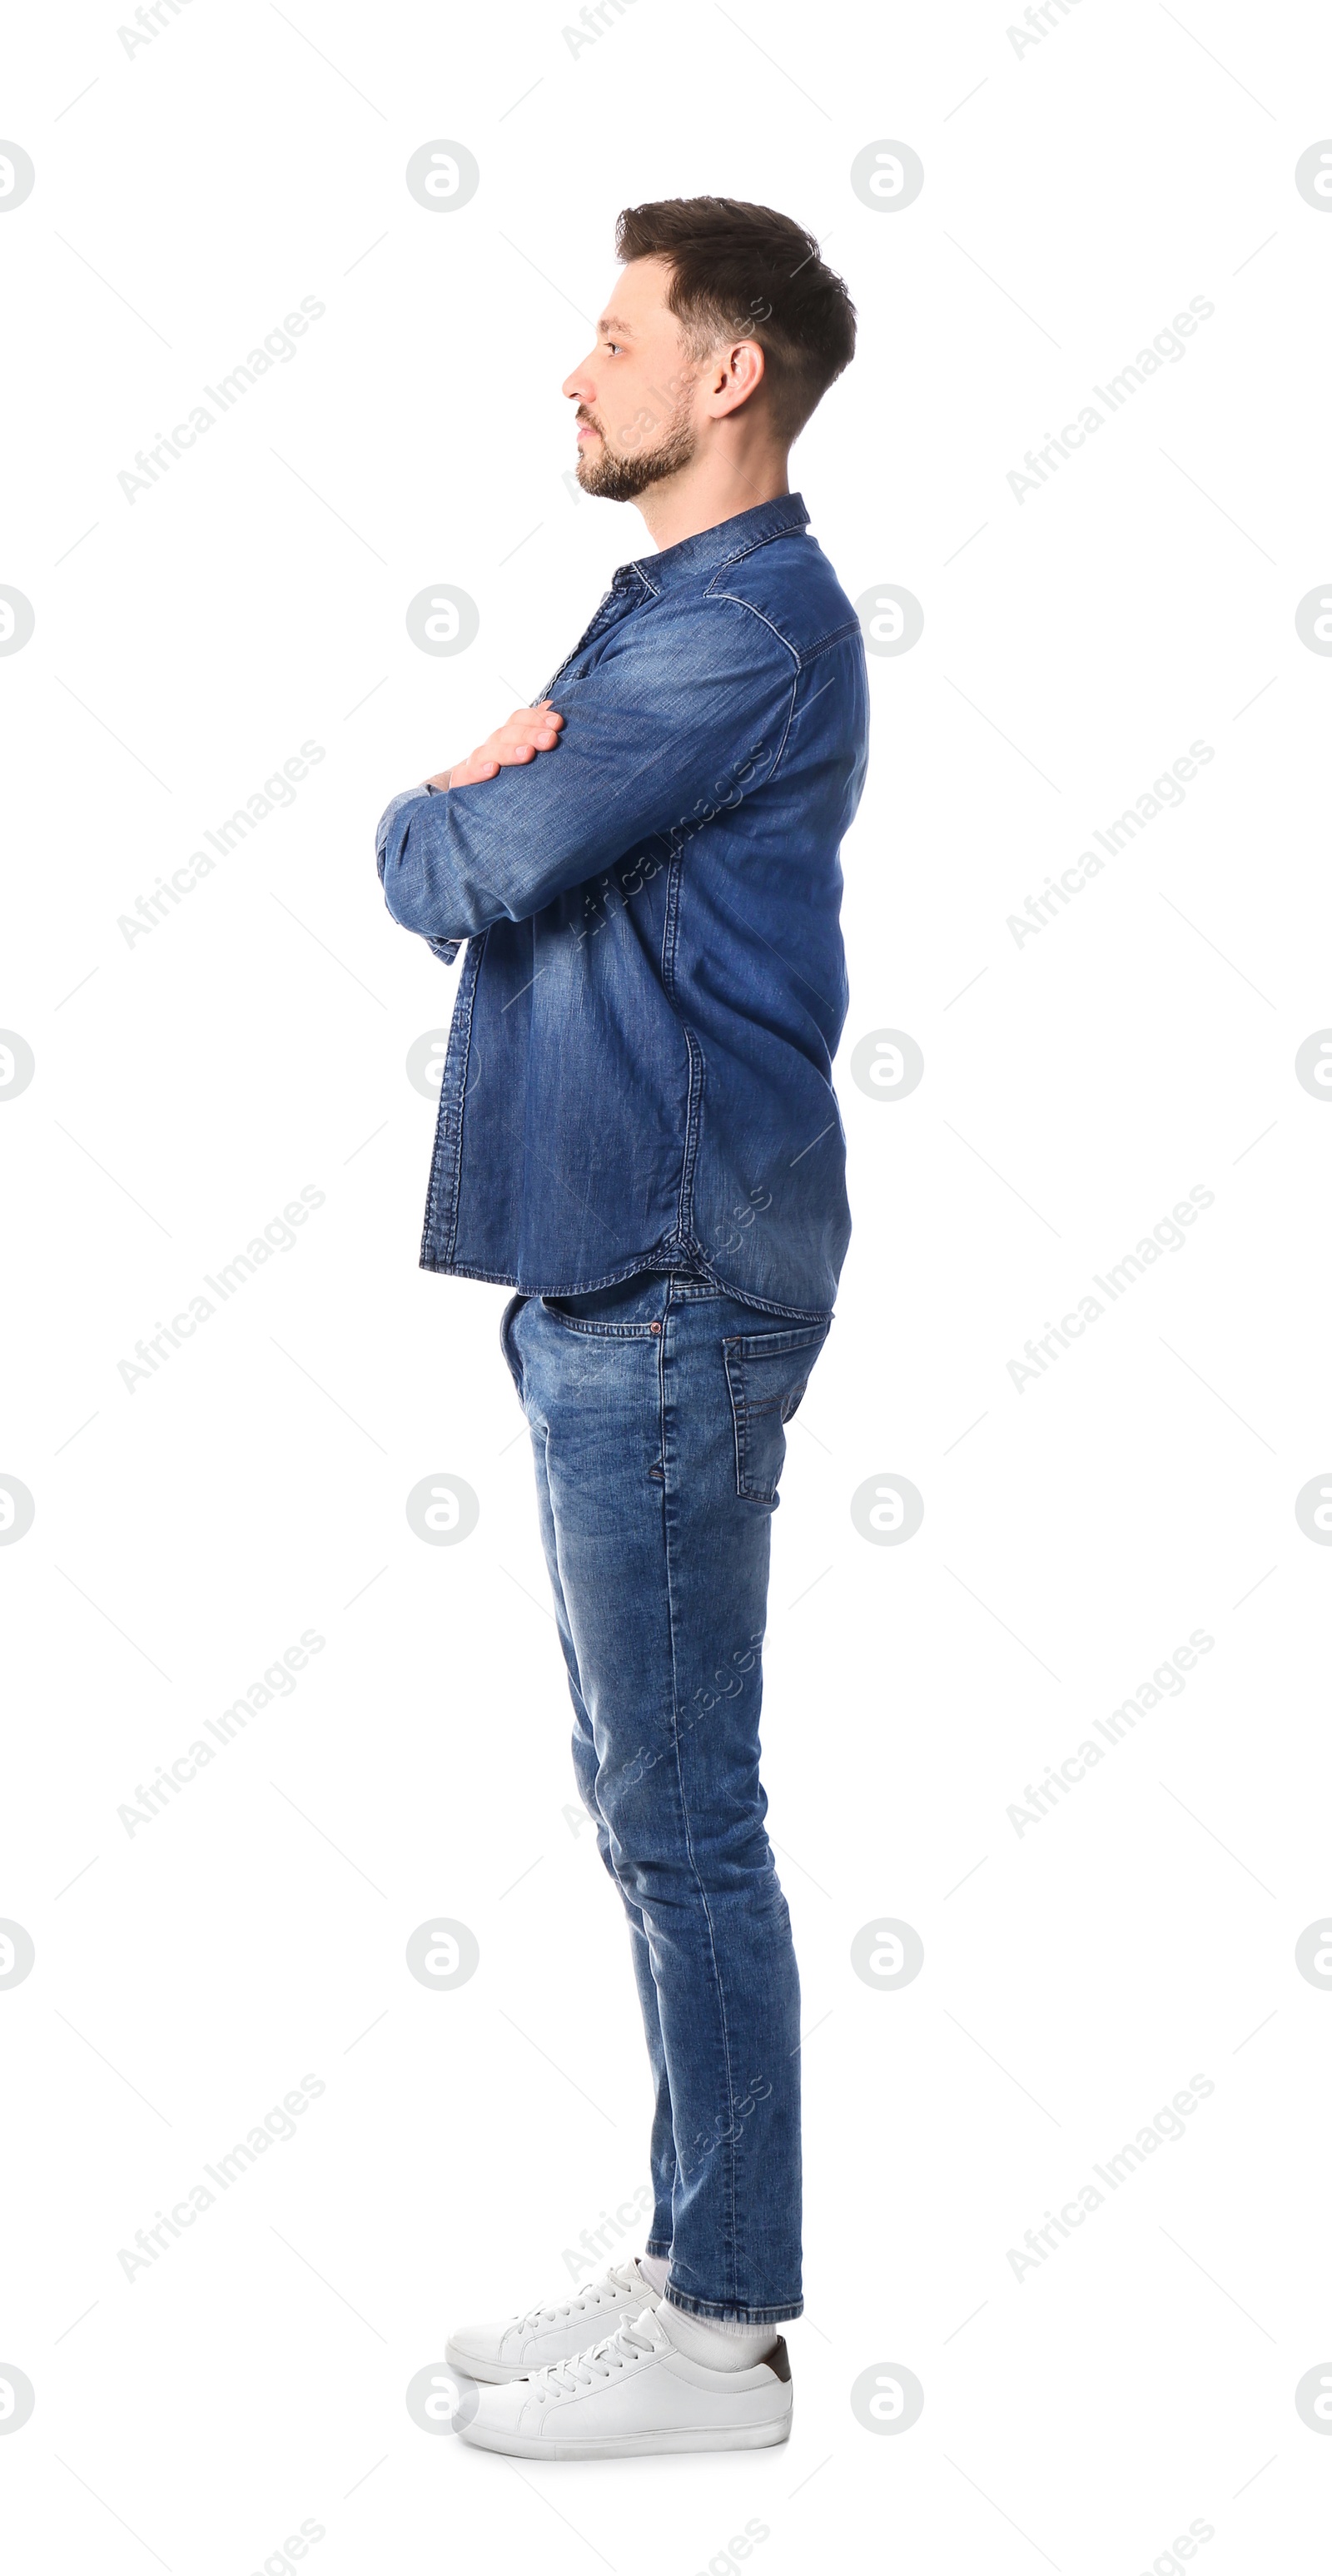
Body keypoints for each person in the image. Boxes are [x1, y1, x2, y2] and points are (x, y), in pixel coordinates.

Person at [375, 196, 867, 2459]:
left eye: (614, 335)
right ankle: (698, 2259)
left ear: (726, 374)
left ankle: (729, 2333)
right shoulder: (676, 604)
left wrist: (461, 789)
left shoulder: (739, 632)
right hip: (616, 1264)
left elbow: (473, 869)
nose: (576, 373)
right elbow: (508, 851)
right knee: (642, 1796)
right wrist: (492, 785)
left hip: (672, 1280)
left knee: (685, 1816)